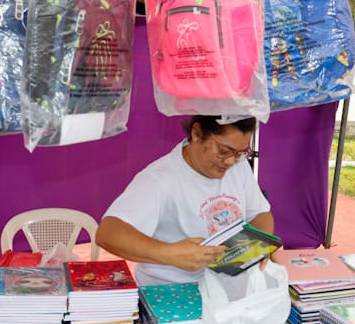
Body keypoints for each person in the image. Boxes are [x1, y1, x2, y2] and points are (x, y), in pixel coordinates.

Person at [96, 115, 275, 285]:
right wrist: (170, 254)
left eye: (240, 153)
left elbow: (259, 214)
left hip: (225, 294)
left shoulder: (238, 166)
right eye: (224, 151)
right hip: (172, 294)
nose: (229, 161)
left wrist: (259, 248)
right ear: (197, 133)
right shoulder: (160, 179)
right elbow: (108, 233)